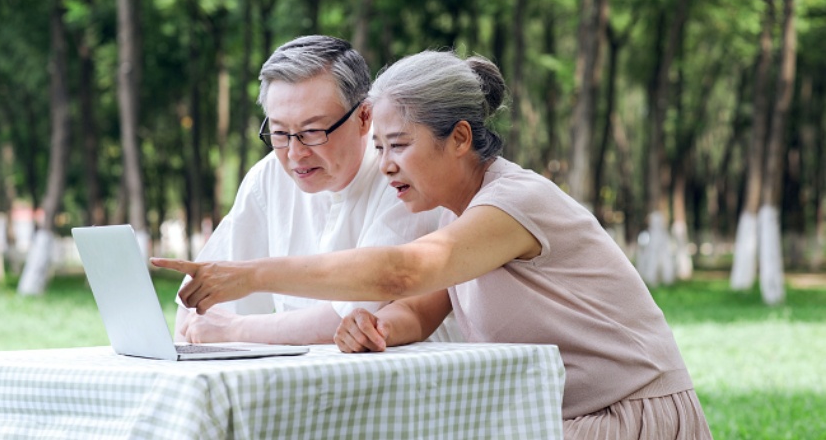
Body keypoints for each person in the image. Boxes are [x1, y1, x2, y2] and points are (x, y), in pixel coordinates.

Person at [154, 50, 712, 439]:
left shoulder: (514, 202)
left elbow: (402, 274)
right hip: (553, 419)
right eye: (379, 145)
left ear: (460, 138)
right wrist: (377, 329)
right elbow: (419, 309)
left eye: (398, 144)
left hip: (623, 420)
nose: (386, 163)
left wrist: (252, 275)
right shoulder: (456, 212)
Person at [172, 36, 461, 345]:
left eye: (312, 132)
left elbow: (351, 317)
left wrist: (234, 330)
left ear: (365, 117)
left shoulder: (401, 175)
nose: (295, 154)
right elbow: (201, 302)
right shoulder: (269, 175)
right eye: (280, 132)